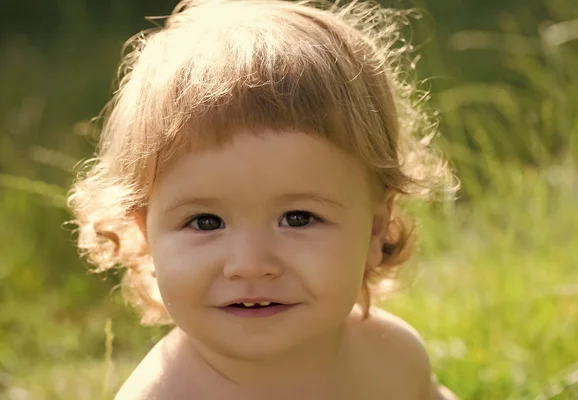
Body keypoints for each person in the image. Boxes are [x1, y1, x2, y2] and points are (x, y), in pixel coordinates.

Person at [68, 0, 459, 398]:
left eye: (298, 218)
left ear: (376, 230)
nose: (250, 265)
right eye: (206, 221)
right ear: (146, 239)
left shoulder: (392, 357)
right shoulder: (166, 394)